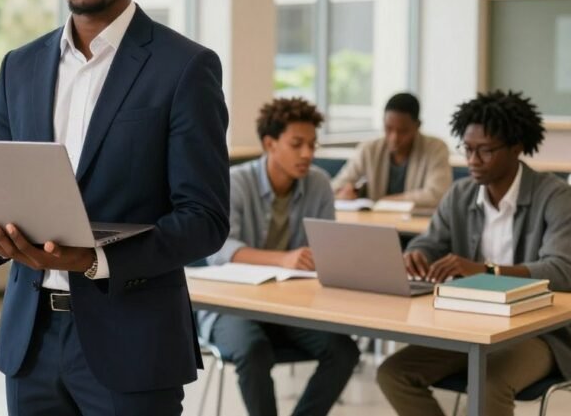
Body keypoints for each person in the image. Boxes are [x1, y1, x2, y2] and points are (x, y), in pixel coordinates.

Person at [0, 0, 230, 416]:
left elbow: (204, 220)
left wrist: (94, 260)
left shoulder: (184, 68)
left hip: (132, 342)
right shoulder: (18, 67)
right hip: (31, 338)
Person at [377, 90, 571, 416]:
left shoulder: (555, 196)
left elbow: (563, 271)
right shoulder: (461, 193)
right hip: (470, 326)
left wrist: (486, 272)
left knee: (489, 382)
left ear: (516, 147)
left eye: (485, 151)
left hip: (540, 333)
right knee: (394, 374)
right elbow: (429, 241)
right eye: (467, 149)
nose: (472, 160)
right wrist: (416, 255)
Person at [198, 98, 358, 416]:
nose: (308, 154)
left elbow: (325, 249)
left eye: (312, 145)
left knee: (343, 351)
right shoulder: (236, 181)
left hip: (291, 307)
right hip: (232, 305)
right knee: (253, 350)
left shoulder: (319, 185)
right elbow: (218, 250)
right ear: (270, 143)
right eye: (297, 144)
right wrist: (282, 259)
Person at [333, 92, 452, 208]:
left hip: (415, 224)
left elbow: (437, 194)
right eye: (388, 128)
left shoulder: (436, 149)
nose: (394, 138)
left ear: (417, 126)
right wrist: (343, 192)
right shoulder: (369, 149)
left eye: (403, 131)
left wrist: (385, 201)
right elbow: (336, 186)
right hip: (374, 223)